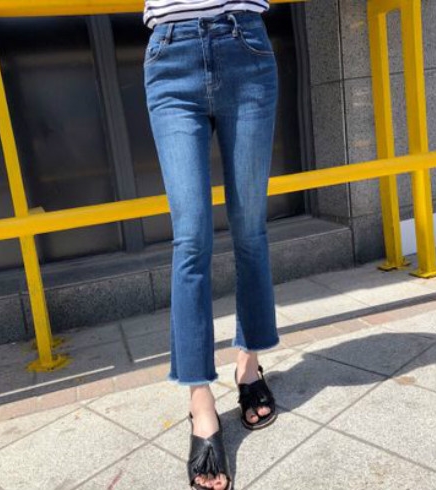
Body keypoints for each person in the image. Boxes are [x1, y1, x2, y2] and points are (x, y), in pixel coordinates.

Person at [142, 3, 280, 488]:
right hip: (171, 53)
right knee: (191, 237)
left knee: (250, 230)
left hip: (244, 43)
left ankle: (249, 366)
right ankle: (200, 401)